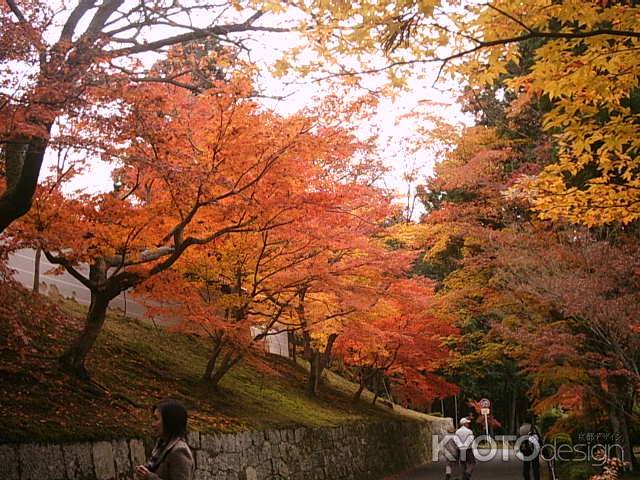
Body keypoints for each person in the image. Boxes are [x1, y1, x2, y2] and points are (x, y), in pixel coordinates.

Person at [135, 399, 195, 480]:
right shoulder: (161, 445)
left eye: (156, 419)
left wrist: (149, 477)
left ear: (169, 421)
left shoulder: (179, 451)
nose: (153, 424)